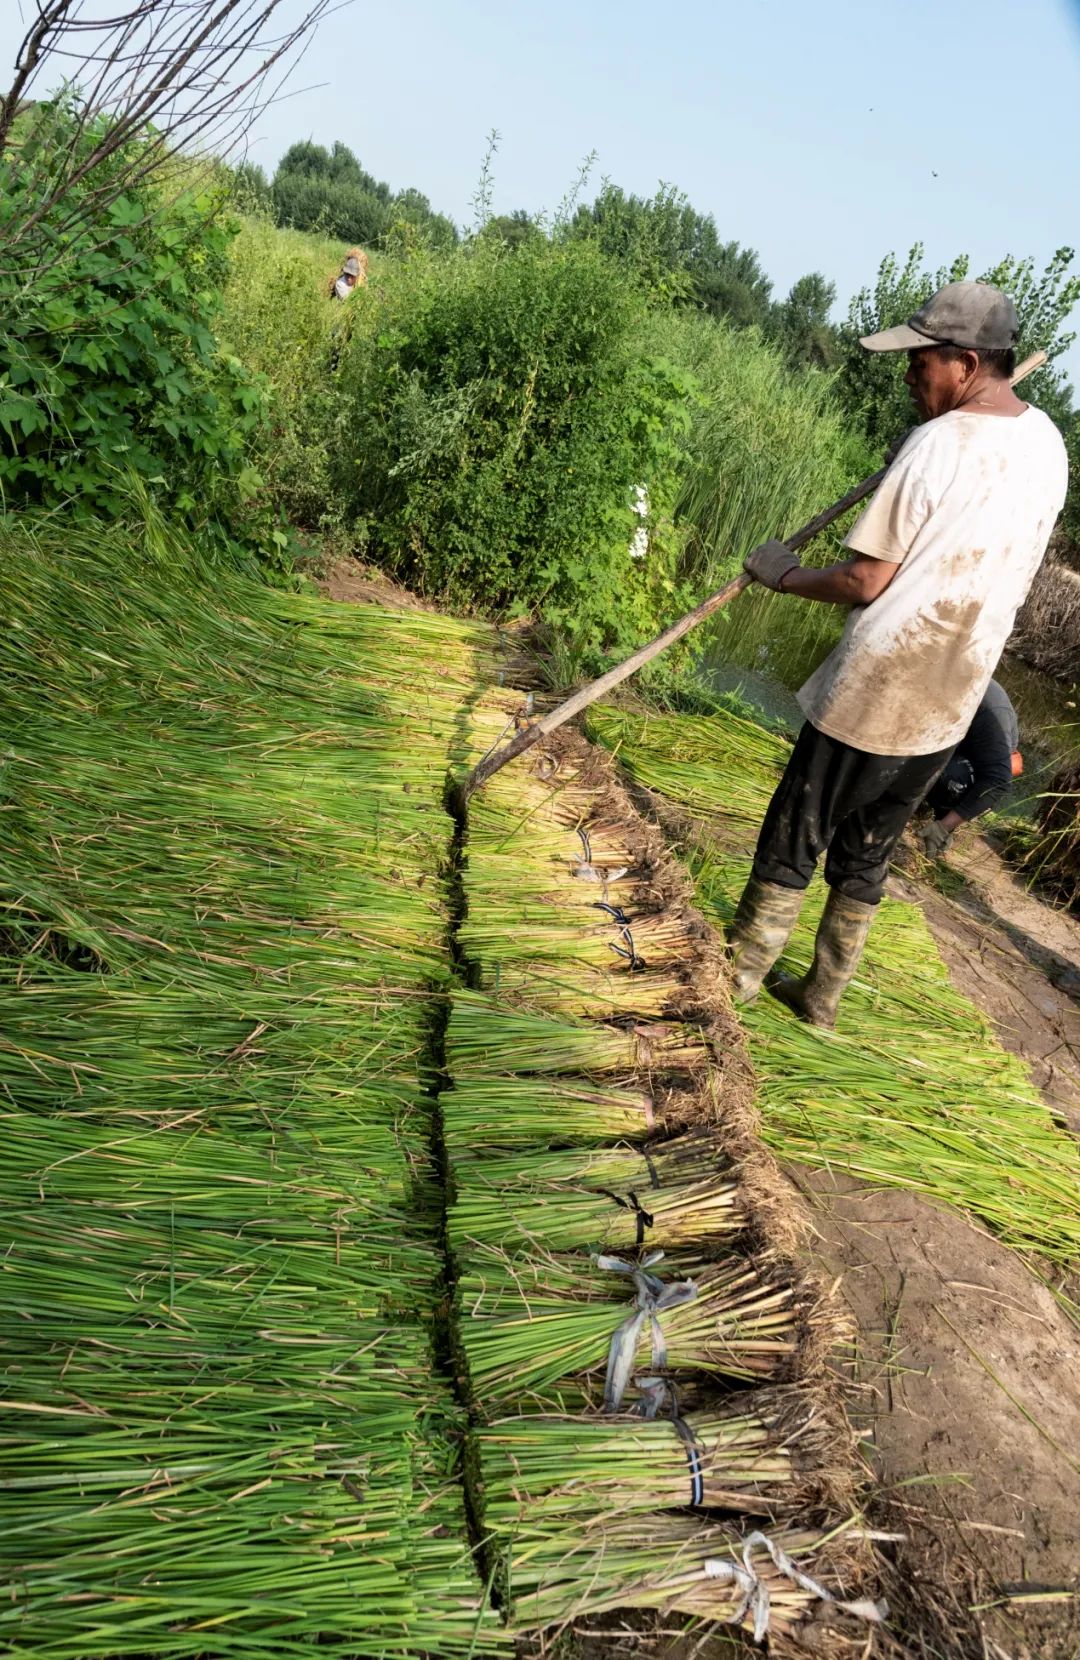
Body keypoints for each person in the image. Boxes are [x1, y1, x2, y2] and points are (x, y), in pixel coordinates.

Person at [727, 282, 1067, 1028]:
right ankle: (820, 1000)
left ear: (967, 362)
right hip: (953, 693)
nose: (909, 373)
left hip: (878, 686)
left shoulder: (937, 444)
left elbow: (864, 579)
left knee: (796, 835)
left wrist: (781, 575)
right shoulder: (1046, 442)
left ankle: (738, 980)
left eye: (921, 360)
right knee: (867, 852)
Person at [915, 678, 1022, 859]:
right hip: (943, 743)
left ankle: (941, 820)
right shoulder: (930, 679)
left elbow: (997, 782)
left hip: (970, 768)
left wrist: (943, 827)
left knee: (955, 776)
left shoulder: (991, 710)